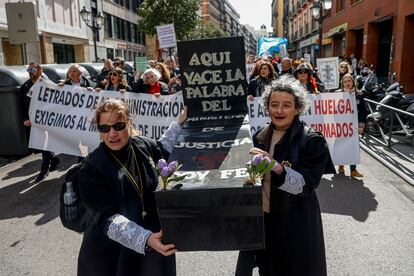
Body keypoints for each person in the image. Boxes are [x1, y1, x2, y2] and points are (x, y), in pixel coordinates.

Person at [235, 75, 335, 276]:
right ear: (267, 107)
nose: (279, 111)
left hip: (295, 223)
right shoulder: (259, 136)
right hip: (264, 222)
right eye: (274, 104)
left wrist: (276, 167)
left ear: (297, 107)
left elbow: (306, 186)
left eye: (286, 105)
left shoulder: (313, 140)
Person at [77, 99, 187, 276]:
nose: (112, 133)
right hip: (113, 251)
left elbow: (162, 149)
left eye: (118, 126)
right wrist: (145, 238)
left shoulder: (142, 144)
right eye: (105, 128)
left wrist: (180, 122)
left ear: (130, 123)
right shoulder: (91, 168)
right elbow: (107, 217)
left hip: (154, 240)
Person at [19, 63, 60, 182]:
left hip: (47, 120)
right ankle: (54, 159)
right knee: (41, 144)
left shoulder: (49, 84)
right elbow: (21, 105)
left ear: (40, 70)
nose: (30, 71)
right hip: (33, 121)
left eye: (33, 69)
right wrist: (25, 118)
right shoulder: (25, 86)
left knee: (44, 143)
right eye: (28, 70)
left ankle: (44, 170)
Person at [336, 73, 365, 177]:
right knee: (341, 145)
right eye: (345, 81)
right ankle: (341, 166)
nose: (347, 83)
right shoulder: (337, 94)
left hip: (354, 126)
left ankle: (353, 170)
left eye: (349, 81)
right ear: (342, 83)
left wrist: (361, 126)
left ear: (353, 82)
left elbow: (363, 111)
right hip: (341, 125)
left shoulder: (360, 95)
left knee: (353, 147)